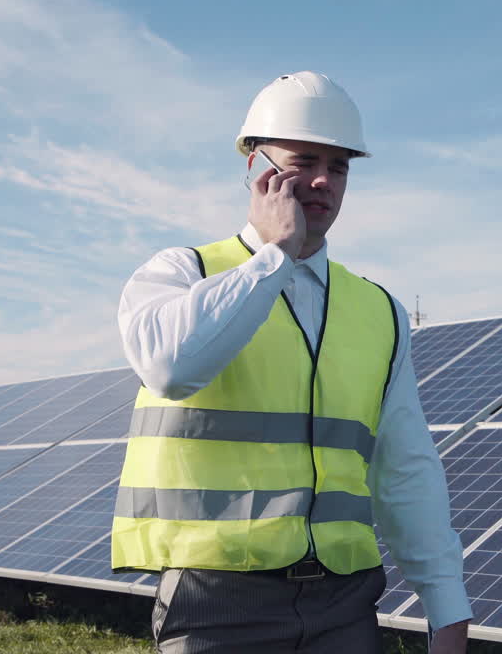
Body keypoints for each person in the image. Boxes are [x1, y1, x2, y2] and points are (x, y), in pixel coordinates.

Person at [111, 71, 471, 653]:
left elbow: (405, 467)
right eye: (304, 160)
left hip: (345, 603)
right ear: (256, 167)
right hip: (216, 600)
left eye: (341, 166)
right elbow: (169, 365)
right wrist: (272, 255)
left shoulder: (379, 310)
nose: (324, 180)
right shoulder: (182, 273)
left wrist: (447, 605)